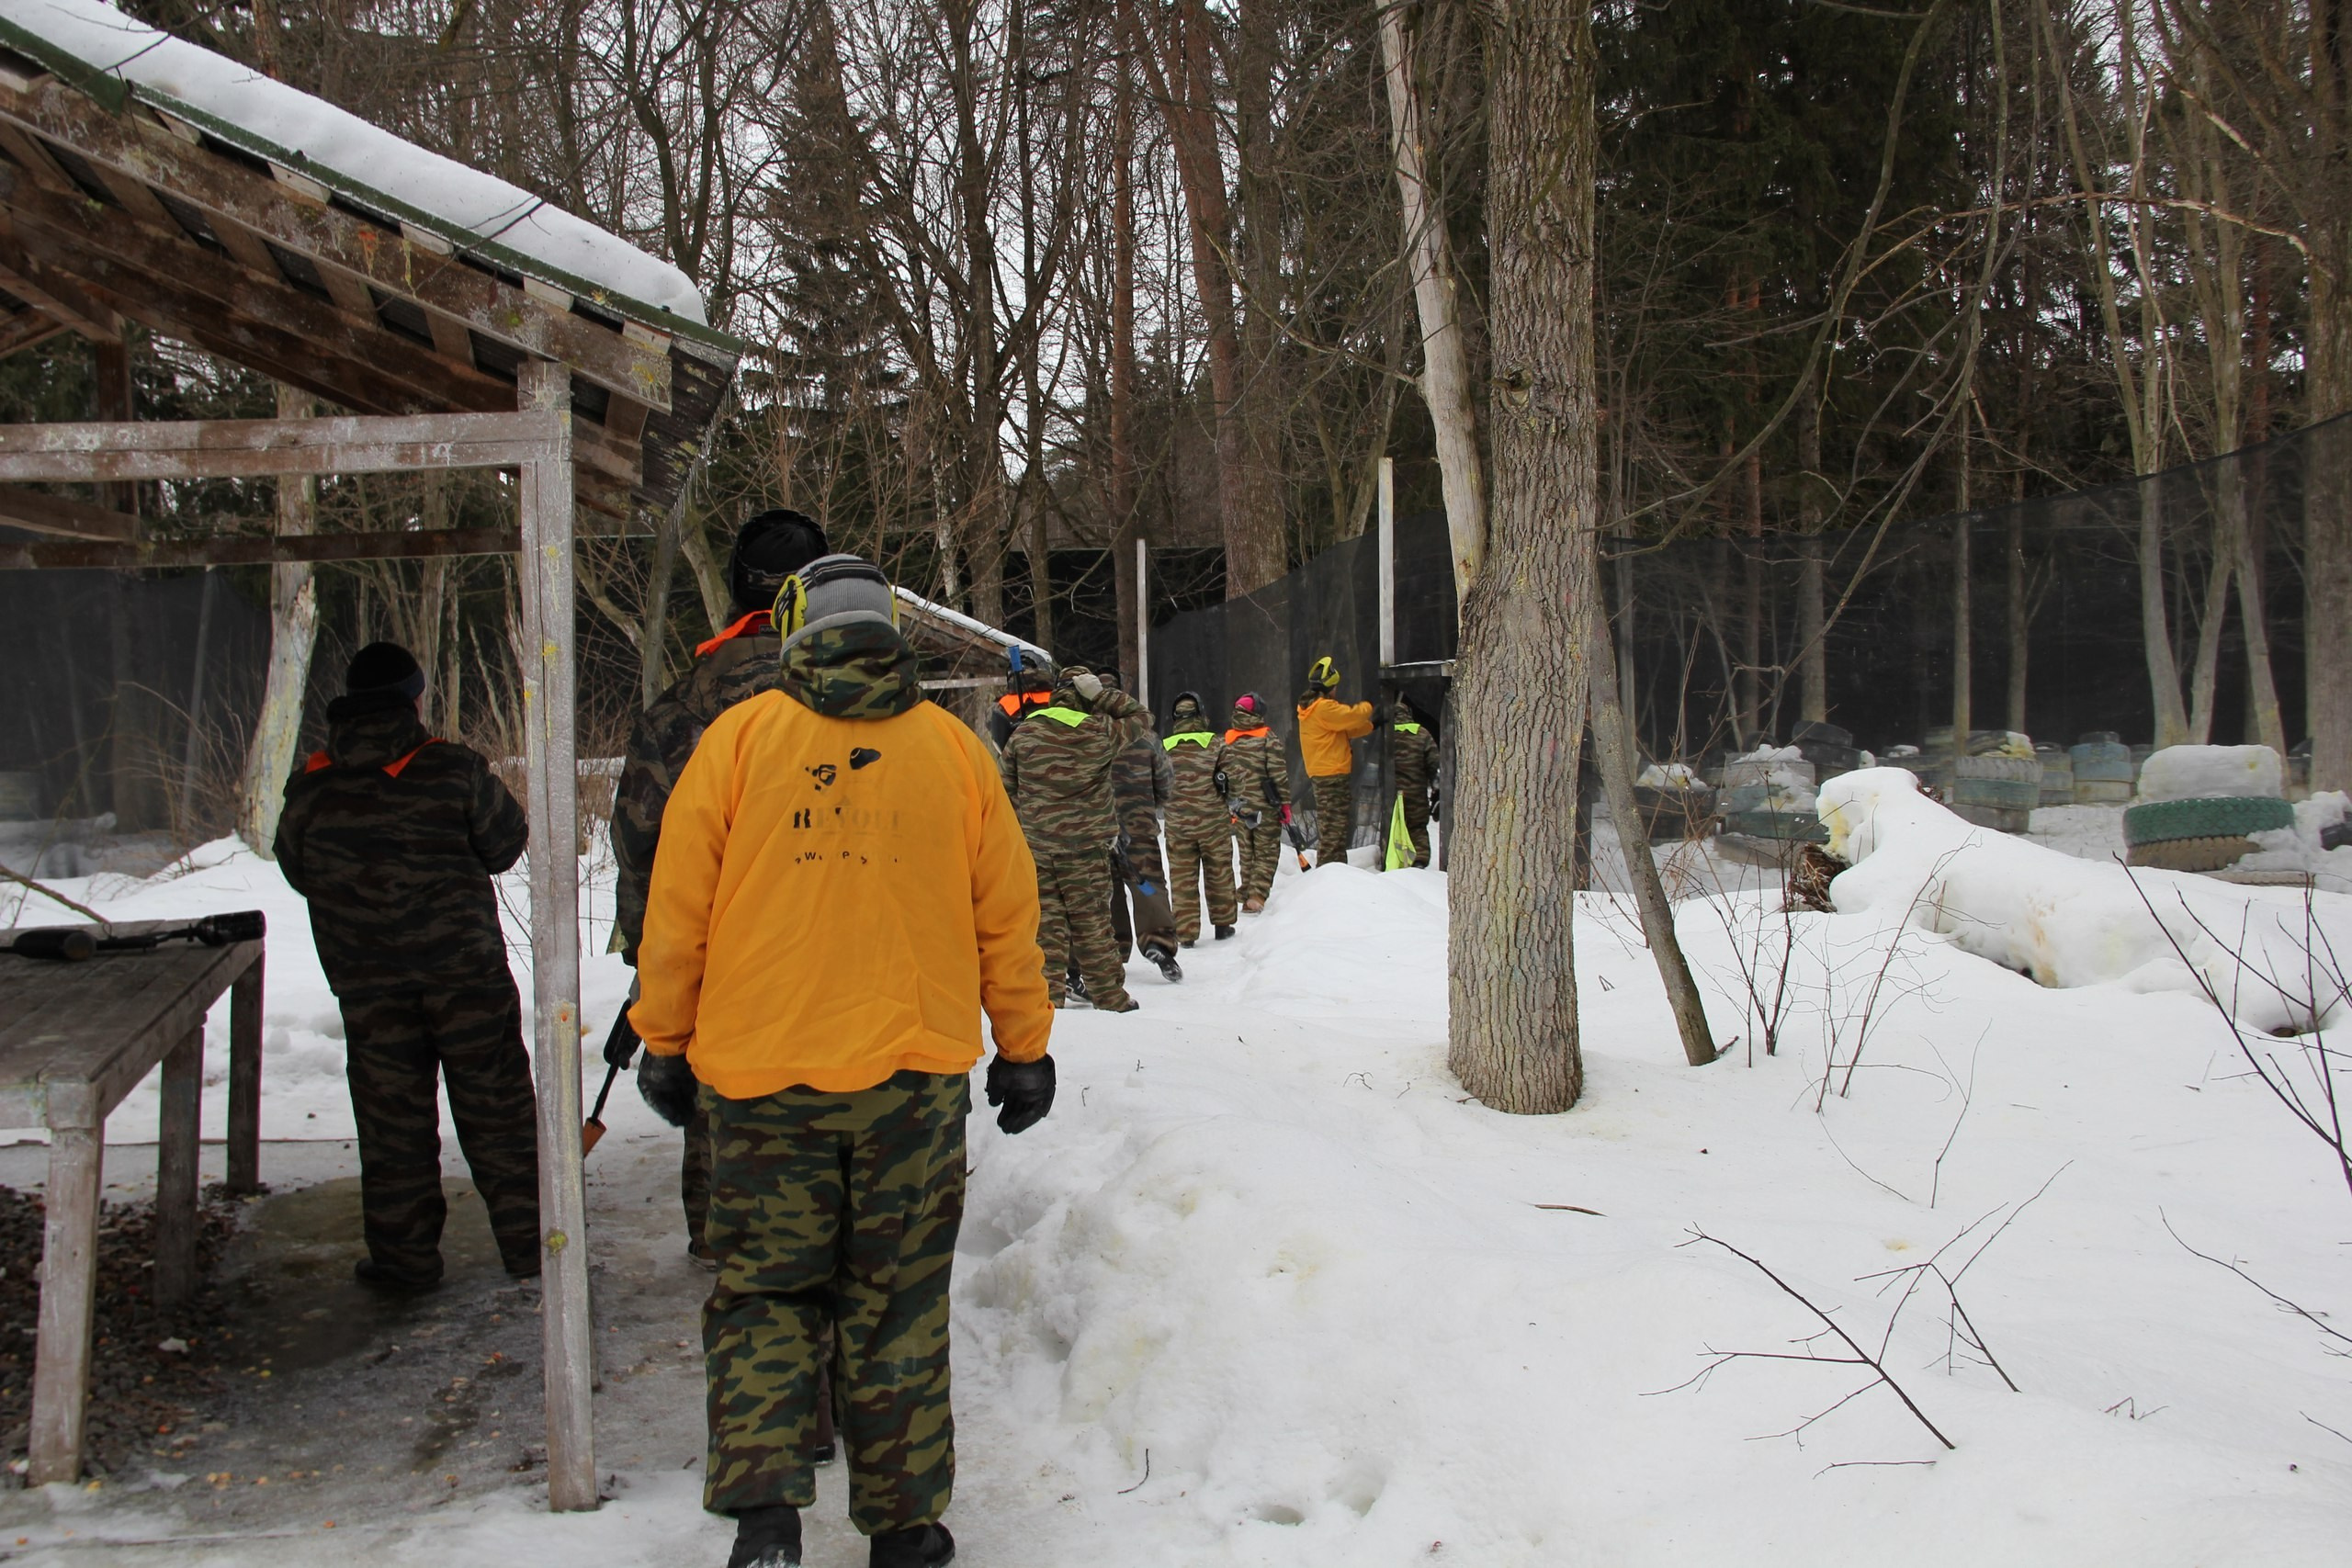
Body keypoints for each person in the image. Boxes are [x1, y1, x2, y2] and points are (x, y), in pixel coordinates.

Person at [629, 553, 1054, 1568]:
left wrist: (664, 1037)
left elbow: (677, 908)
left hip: (759, 1083)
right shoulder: (952, 751)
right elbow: (1007, 913)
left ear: (793, 628)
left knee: (766, 1296)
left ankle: (768, 1521)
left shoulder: (737, 740)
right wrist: (1024, 1047)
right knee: (896, 1300)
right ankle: (904, 1533)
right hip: (911, 1089)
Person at [275, 641, 538, 1292]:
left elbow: (296, 867)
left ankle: (404, 1260)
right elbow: (507, 841)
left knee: (392, 1120)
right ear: (414, 699)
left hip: (368, 982)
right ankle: (535, 1246)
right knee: (498, 1109)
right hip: (465, 978)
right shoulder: (451, 767)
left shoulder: (313, 783)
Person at [609, 508, 830, 1266]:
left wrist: (651, 965)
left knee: (719, 1100)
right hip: (843, 950)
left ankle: (724, 1240)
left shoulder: (681, 707)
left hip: (719, 961)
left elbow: (640, 843)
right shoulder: (853, 696)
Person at [1000, 662, 1150, 1011]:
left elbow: (1004, 790)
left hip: (1038, 848)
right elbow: (1141, 718)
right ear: (1086, 695)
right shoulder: (1099, 731)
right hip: (1087, 851)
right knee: (1093, 923)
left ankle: (1047, 998)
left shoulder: (1024, 733)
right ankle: (1110, 997)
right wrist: (1102, 696)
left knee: (1046, 926)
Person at [1109, 701, 1182, 982]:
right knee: (1148, 885)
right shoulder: (1147, 738)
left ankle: (1112, 947)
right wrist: (1149, 804)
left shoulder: (1091, 737)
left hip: (1099, 828)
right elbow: (1165, 783)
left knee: (1105, 891)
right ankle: (1158, 943)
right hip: (1139, 825)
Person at [1161, 691, 1237, 943]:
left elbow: (1155, 785)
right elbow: (1234, 780)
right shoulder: (1216, 744)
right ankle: (1223, 925)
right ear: (1201, 714)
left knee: (1182, 879)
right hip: (1213, 823)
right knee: (1219, 873)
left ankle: (1186, 933)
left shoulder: (1163, 747)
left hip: (1178, 825)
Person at [1297, 656, 1375, 866]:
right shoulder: (1324, 708)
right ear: (1330, 687)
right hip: (1331, 775)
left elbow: (1344, 730)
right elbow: (1351, 717)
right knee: (1334, 830)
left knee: (1335, 828)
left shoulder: (1312, 708)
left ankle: (1336, 871)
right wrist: (1370, 706)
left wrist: (1370, 726)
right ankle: (1330, 872)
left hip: (1326, 774)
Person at [1219, 693, 1288, 913]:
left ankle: (1246, 891)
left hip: (1237, 807)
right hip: (1265, 806)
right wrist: (1284, 804)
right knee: (1266, 852)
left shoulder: (1226, 739)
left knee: (1247, 852)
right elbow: (1278, 774)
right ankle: (1256, 896)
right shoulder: (1267, 737)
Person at [1390, 698, 1441, 868]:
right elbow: (1435, 763)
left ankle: (1393, 859)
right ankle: (1419, 861)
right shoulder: (1422, 734)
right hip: (1415, 792)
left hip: (1390, 793)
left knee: (1392, 828)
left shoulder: (1385, 734)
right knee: (1417, 827)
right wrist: (1436, 788)